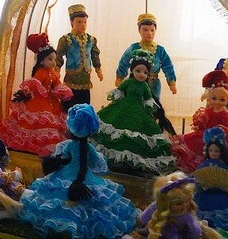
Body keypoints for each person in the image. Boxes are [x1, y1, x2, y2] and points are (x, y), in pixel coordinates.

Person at [19, 104, 140, 239]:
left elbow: (64, 156)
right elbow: (96, 164)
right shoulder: (89, 148)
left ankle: (62, 224)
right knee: (96, 202)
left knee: (54, 199)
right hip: (84, 177)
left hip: (65, 173)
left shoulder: (69, 145)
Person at [91, 48, 176, 176]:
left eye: (145, 72)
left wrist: (149, 108)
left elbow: (148, 99)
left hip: (139, 111)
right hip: (124, 107)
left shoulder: (145, 86)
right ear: (132, 71)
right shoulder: (128, 82)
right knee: (118, 130)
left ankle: (132, 163)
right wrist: (117, 99)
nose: (142, 74)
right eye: (138, 71)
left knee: (138, 133)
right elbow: (119, 91)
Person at [0, 33, 74, 156]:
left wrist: (62, 92)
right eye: (50, 59)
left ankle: (50, 147)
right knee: (38, 122)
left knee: (53, 123)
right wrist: (32, 89)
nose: (53, 63)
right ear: (42, 60)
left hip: (52, 102)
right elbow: (35, 82)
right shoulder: (41, 72)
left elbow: (58, 84)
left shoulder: (52, 73)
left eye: (54, 59)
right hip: (39, 102)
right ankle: (35, 146)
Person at [116, 13, 178, 131]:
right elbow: (124, 62)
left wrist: (172, 82)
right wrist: (120, 77)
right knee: (135, 105)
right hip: (135, 83)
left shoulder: (160, 50)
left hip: (153, 84)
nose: (149, 33)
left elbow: (168, 66)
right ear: (139, 30)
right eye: (145, 30)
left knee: (152, 106)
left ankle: (150, 129)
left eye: (152, 30)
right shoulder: (133, 48)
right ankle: (134, 128)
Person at [131, 171, 221, 239]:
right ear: (165, 203)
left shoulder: (186, 217)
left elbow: (194, 232)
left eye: (187, 201)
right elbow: (143, 220)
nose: (184, 206)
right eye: (178, 203)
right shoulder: (155, 208)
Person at [176, 69, 228, 172]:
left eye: (222, 100)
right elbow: (203, 123)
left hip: (220, 138)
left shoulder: (224, 114)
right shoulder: (207, 112)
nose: (217, 102)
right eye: (214, 98)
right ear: (209, 98)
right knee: (193, 142)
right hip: (205, 135)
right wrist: (198, 125)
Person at [56, 4, 103, 108]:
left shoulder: (91, 39)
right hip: (71, 79)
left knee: (84, 105)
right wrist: (57, 69)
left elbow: (95, 55)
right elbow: (58, 55)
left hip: (85, 79)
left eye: (85, 22)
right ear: (72, 22)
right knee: (69, 105)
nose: (83, 25)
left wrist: (98, 69)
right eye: (79, 22)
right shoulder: (66, 39)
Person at [195, 128, 228, 232]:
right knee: (204, 205)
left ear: (221, 152)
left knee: (221, 203)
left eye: (216, 151)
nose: (213, 153)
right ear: (207, 150)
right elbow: (197, 179)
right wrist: (202, 185)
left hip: (220, 194)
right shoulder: (203, 165)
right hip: (206, 194)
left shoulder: (223, 166)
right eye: (211, 150)